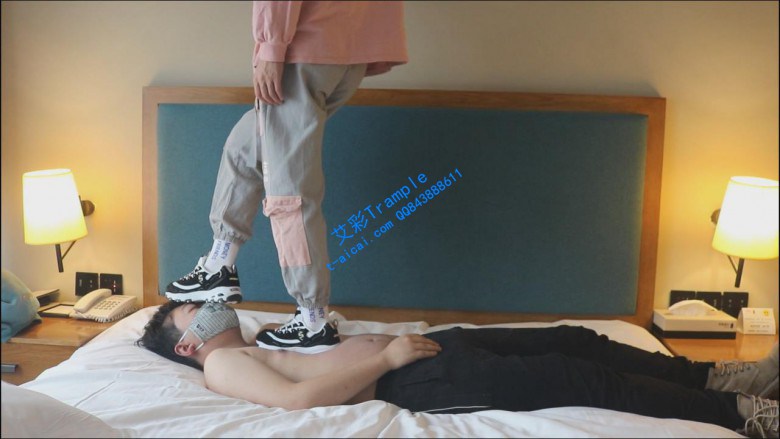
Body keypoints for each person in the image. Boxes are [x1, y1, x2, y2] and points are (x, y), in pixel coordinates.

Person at [137, 302, 780, 438]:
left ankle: (715, 377)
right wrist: (386, 356)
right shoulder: (223, 363)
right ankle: (743, 415)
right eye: (197, 310)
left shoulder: (256, 337)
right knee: (574, 376)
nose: (213, 305)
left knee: (574, 337)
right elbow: (297, 403)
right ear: (187, 345)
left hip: (424, 346)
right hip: (411, 378)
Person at [163, 1, 408, 353]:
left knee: (289, 195)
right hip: (347, 50)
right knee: (243, 149)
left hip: (307, 48)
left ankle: (313, 319)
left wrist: (270, 47)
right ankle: (218, 264)